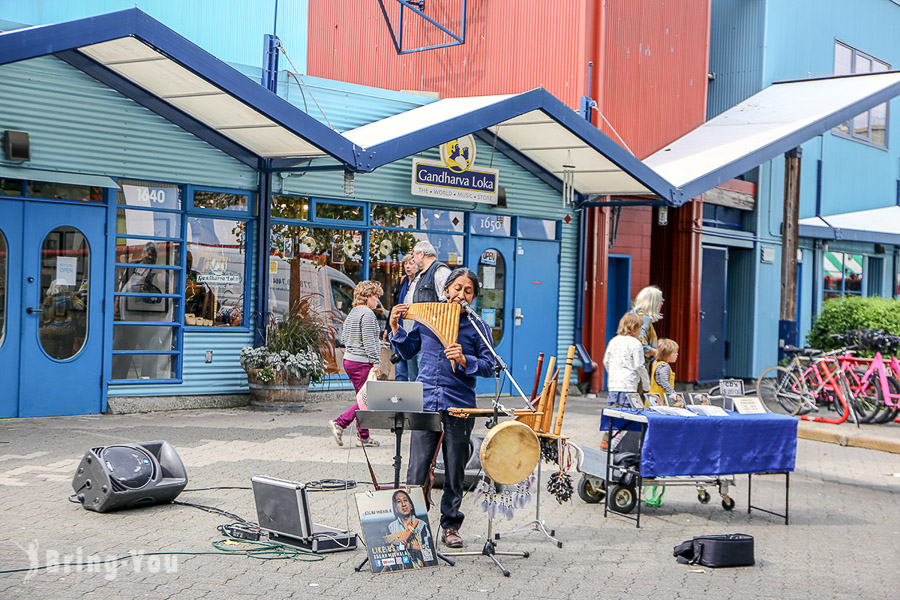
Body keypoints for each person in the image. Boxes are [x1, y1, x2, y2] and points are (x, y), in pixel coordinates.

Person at [388, 268, 495, 549]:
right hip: (425, 402)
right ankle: (413, 529)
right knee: (416, 469)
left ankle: (450, 526)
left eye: (467, 291)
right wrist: (396, 328)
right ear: (446, 290)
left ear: (473, 297)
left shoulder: (478, 327)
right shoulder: (428, 319)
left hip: (459, 405)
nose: (461, 295)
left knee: (455, 470)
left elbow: (490, 366)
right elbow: (408, 350)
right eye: (457, 288)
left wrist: (464, 359)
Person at [330, 280, 384, 448]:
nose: (377, 301)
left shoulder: (353, 313)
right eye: (376, 296)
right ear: (367, 297)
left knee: (363, 399)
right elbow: (368, 341)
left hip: (350, 359)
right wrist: (376, 360)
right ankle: (340, 423)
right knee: (367, 399)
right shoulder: (367, 314)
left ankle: (364, 436)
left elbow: (344, 338)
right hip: (362, 362)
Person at [603, 312, 650, 408]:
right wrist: (646, 384)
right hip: (629, 384)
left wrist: (613, 373)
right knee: (629, 412)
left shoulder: (613, 341)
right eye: (640, 327)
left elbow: (606, 361)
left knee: (617, 412)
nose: (641, 330)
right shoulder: (636, 344)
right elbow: (639, 365)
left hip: (614, 384)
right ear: (633, 328)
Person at [383, 490, 435, 569]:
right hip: (400, 567)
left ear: (411, 506)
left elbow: (428, 550)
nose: (403, 504)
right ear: (396, 509)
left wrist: (409, 546)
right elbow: (385, 550)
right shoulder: (391, 527)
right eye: (399, 502)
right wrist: (394, 543)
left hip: (421, 566)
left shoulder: (422, 525)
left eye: (405, 500)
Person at [39, 279, 86, 360]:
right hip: (67, 334)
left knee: (48, 358)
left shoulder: (48, 300)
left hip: (49, 334)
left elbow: (42, 318)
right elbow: (82, 307)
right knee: (65, 358)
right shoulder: (70, 298)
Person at [389, 253, 418, 382]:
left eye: (411, 263)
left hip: (413, 332)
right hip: (400, 329)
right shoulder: (402, 282)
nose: (408, 266)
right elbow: (395, 306)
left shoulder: (420, 284)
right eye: (406, 263)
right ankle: (400, 400)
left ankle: (413, 400)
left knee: (414, 373)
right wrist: (388, 328)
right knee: (400, 371)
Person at [631, 285, 664, 390]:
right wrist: (655, 352)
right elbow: (639, 342)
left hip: (631, 364)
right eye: (660, 300)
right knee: (638, 399)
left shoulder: (634, 316)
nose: (662, 303)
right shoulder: (644, 318)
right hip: (640, 364)